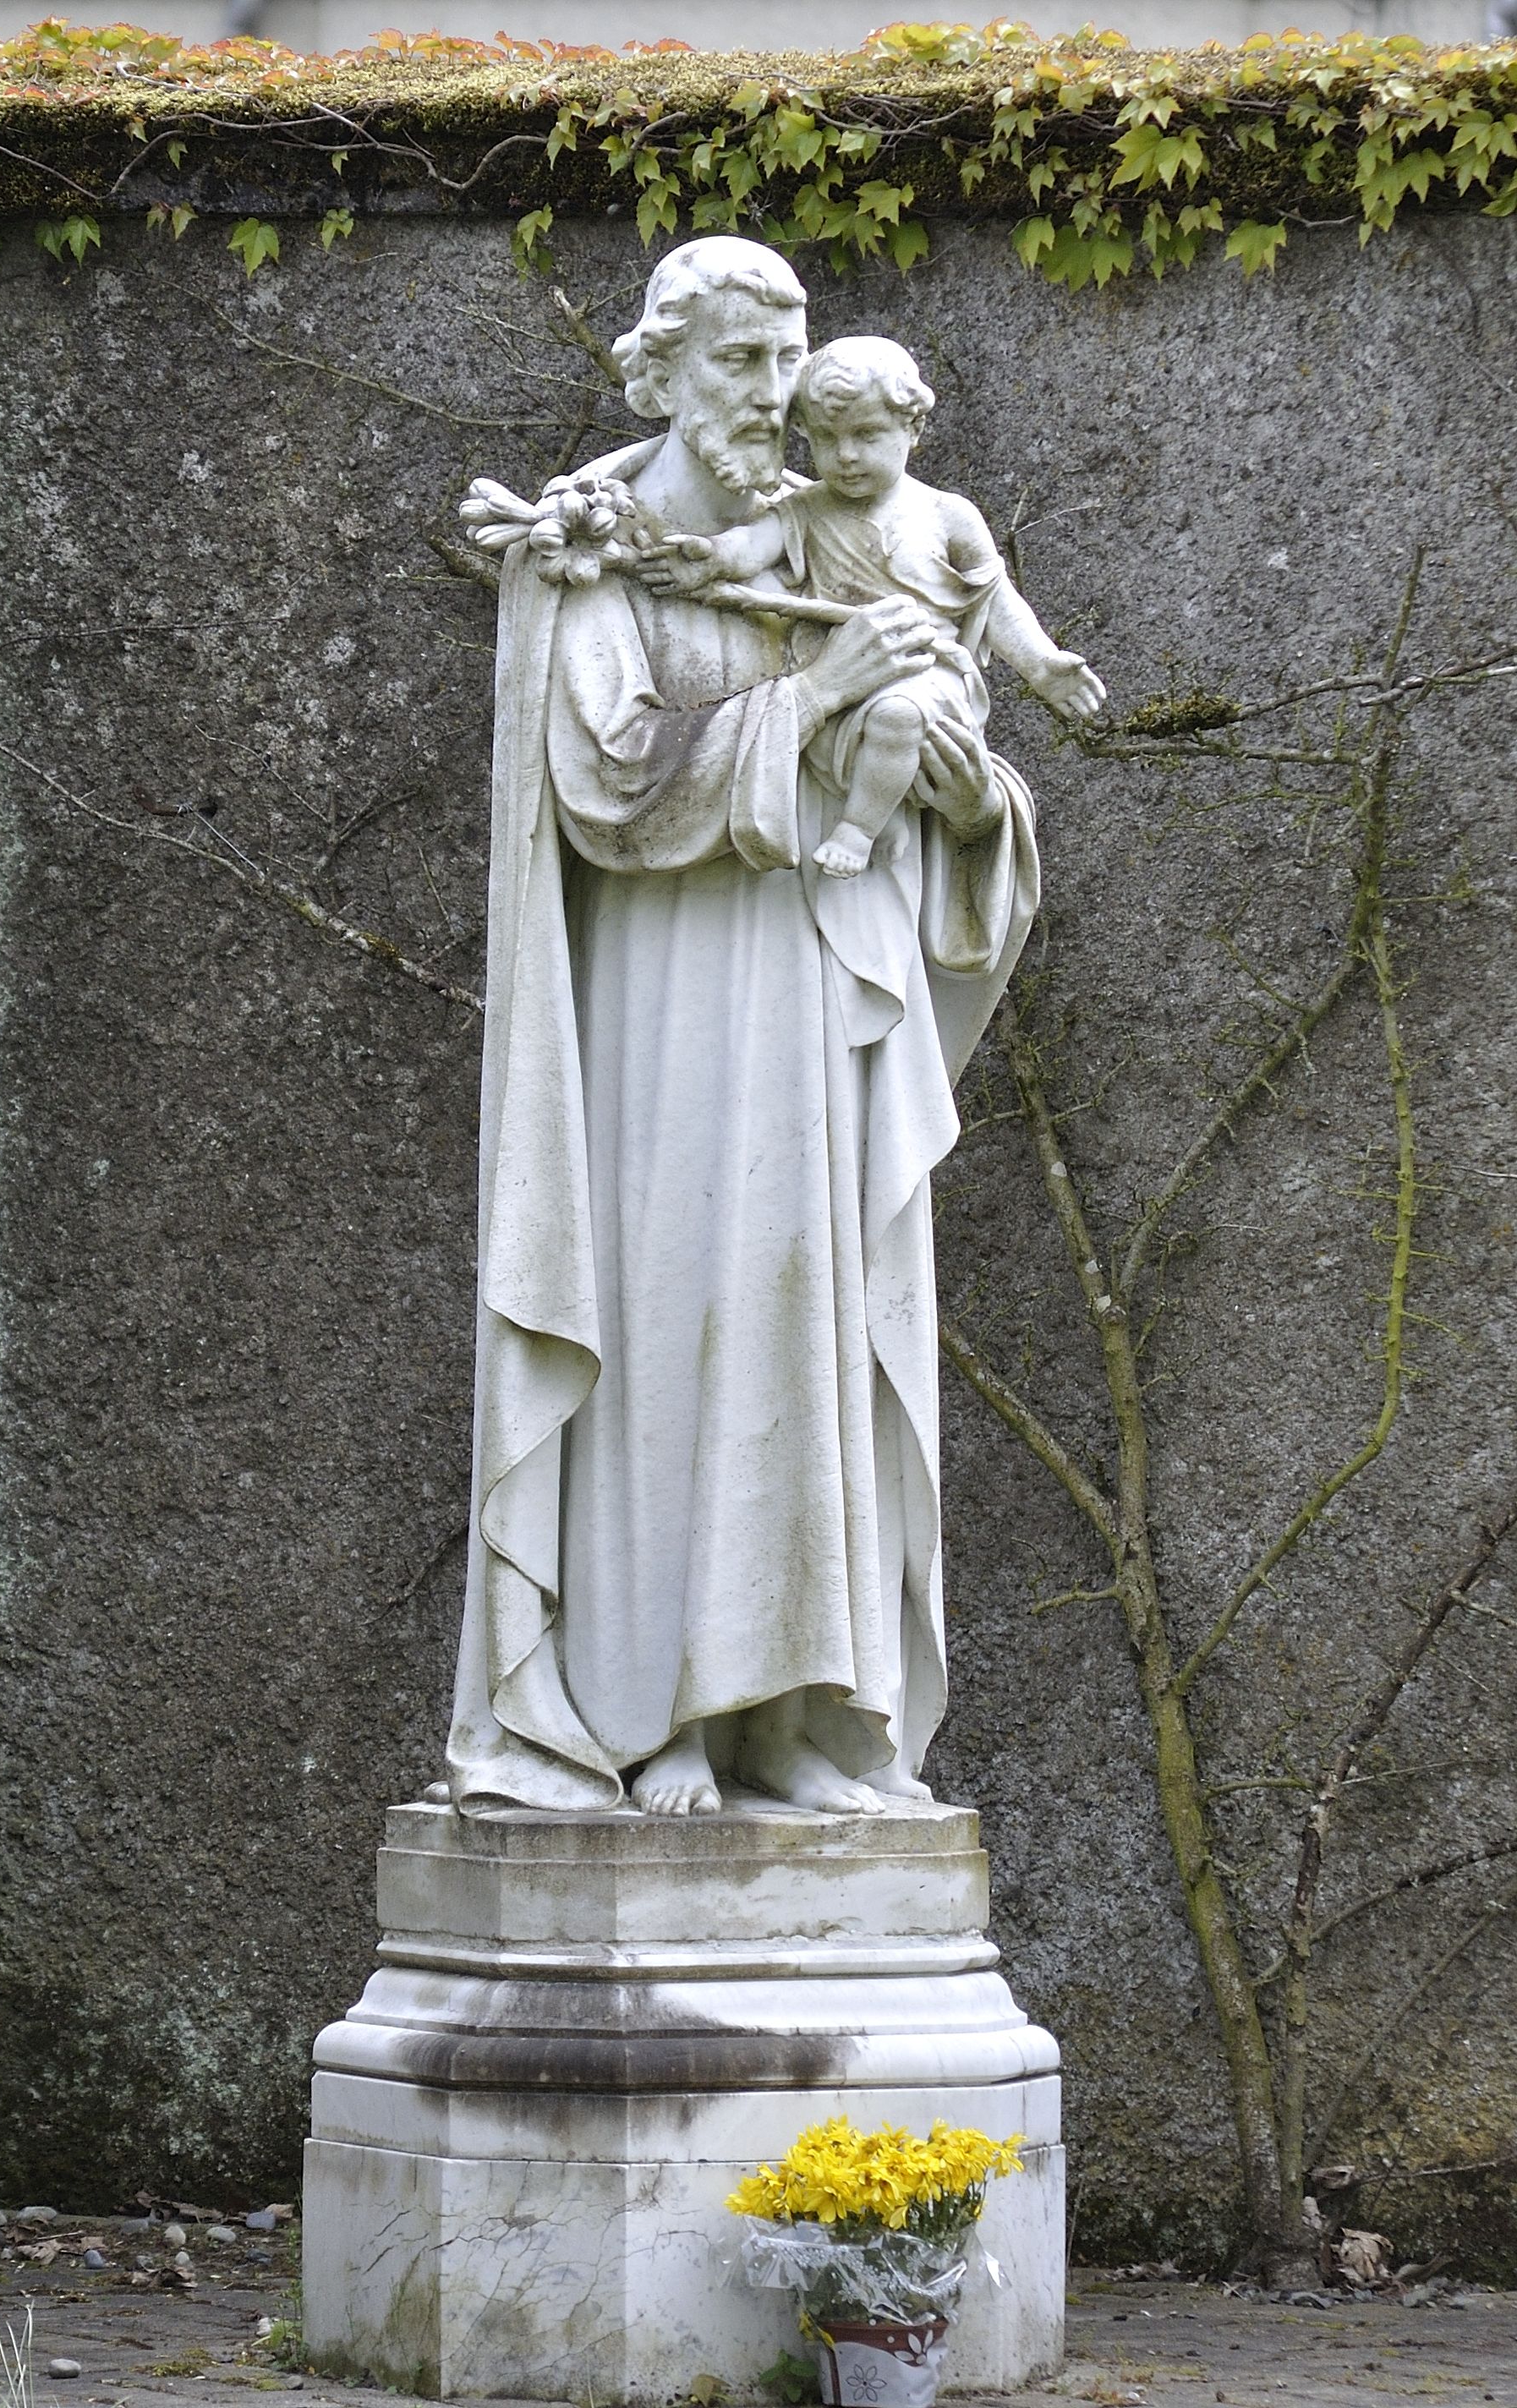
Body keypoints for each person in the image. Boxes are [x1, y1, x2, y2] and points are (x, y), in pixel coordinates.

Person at [445, 238, 1060, 1817]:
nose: (774, 395)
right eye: (738, 360)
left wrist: (962, 796)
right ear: (657, 369)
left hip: (822, 1013)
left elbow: (955, 751)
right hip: (667, 1023)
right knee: (673, 1333)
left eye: (788, 361)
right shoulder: (588, 543)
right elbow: (606, 780)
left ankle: (792, 1718)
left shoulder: (837, 531)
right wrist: (816, 697)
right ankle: (646, 1711)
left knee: (815, 1340)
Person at [683, 334, 1109, 879]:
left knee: (898, 716)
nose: (846, 455)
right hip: (840, 670)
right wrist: (713, 555)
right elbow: (752, 545)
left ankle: (858, 831)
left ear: (913, 428)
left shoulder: (947, 515)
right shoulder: (806, 509)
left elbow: (996, 600)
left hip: (923, 670)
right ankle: (878, 812)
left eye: (866, 434)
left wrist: (1043, 666)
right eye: (827, 438)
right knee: (860, 726)